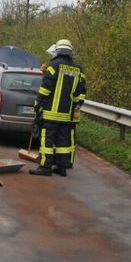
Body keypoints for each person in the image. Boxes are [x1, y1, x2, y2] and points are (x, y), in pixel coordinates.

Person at [29, 39, 86, 177]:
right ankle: (62, 167)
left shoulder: (54, 65)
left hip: (51, 113)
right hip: (66, 114)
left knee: (47, 140)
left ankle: (45, 167)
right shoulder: (78, 69)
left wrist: (37, 103)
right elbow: (80, 92)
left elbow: (46, 88)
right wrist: (76, 108)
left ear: (58, 50)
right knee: (62, 141)